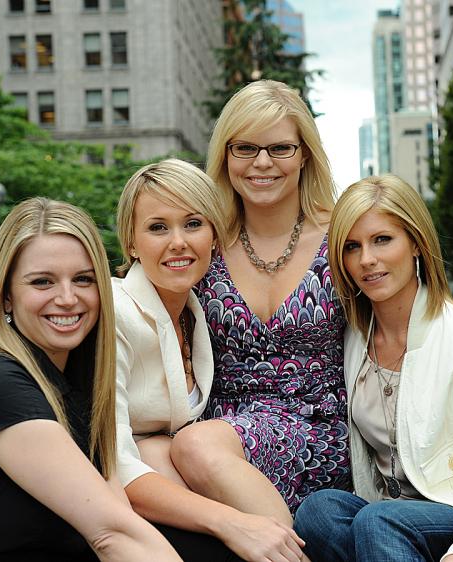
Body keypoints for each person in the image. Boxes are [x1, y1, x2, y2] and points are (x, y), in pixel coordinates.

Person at [0, 197, 179, 562]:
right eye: (42, 281)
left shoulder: (79, 380)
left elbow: (118, 511)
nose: (68, 298)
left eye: (83, 279)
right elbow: (112, 533)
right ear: (6, 296)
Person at [294, 175, 453, 562]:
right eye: (352, 247)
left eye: (382, 240)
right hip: (383, 516)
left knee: (380, 520)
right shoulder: (354, 338)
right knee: (319, 511)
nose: (366, 260)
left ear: (417, 245)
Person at [171, 79, 350, 528]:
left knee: (192, 448)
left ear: (304, 153)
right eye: (245, 148)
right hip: (219, 441)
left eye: (280, 148)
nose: (262, 163)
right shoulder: (202, 242)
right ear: (226, 156)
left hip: (323, 431)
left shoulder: (344, 237)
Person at [113, 158, 300, 562]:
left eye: (193, 224)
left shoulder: (198, 311)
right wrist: (229, 522)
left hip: (164, 477)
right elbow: (115, 461)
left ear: (214, 236)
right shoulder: (115, 312)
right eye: (158, 227)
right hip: (106, 495)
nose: (178, 242)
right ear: (131, 242)